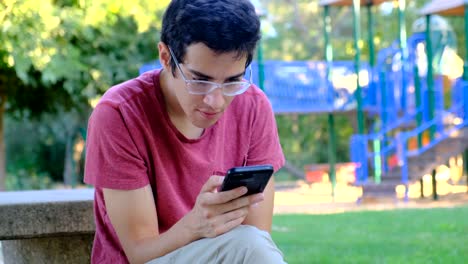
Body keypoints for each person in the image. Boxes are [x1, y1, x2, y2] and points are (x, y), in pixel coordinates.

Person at [84, 0, 286, 263]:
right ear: (166, 58)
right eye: (200, 81)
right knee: (249, 245)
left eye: (232, 81)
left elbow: (257, 236)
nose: (215, 100)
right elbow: (139, 253)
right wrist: (194, 225)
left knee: (252, 242)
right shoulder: (120, 113)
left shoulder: (253, 106)